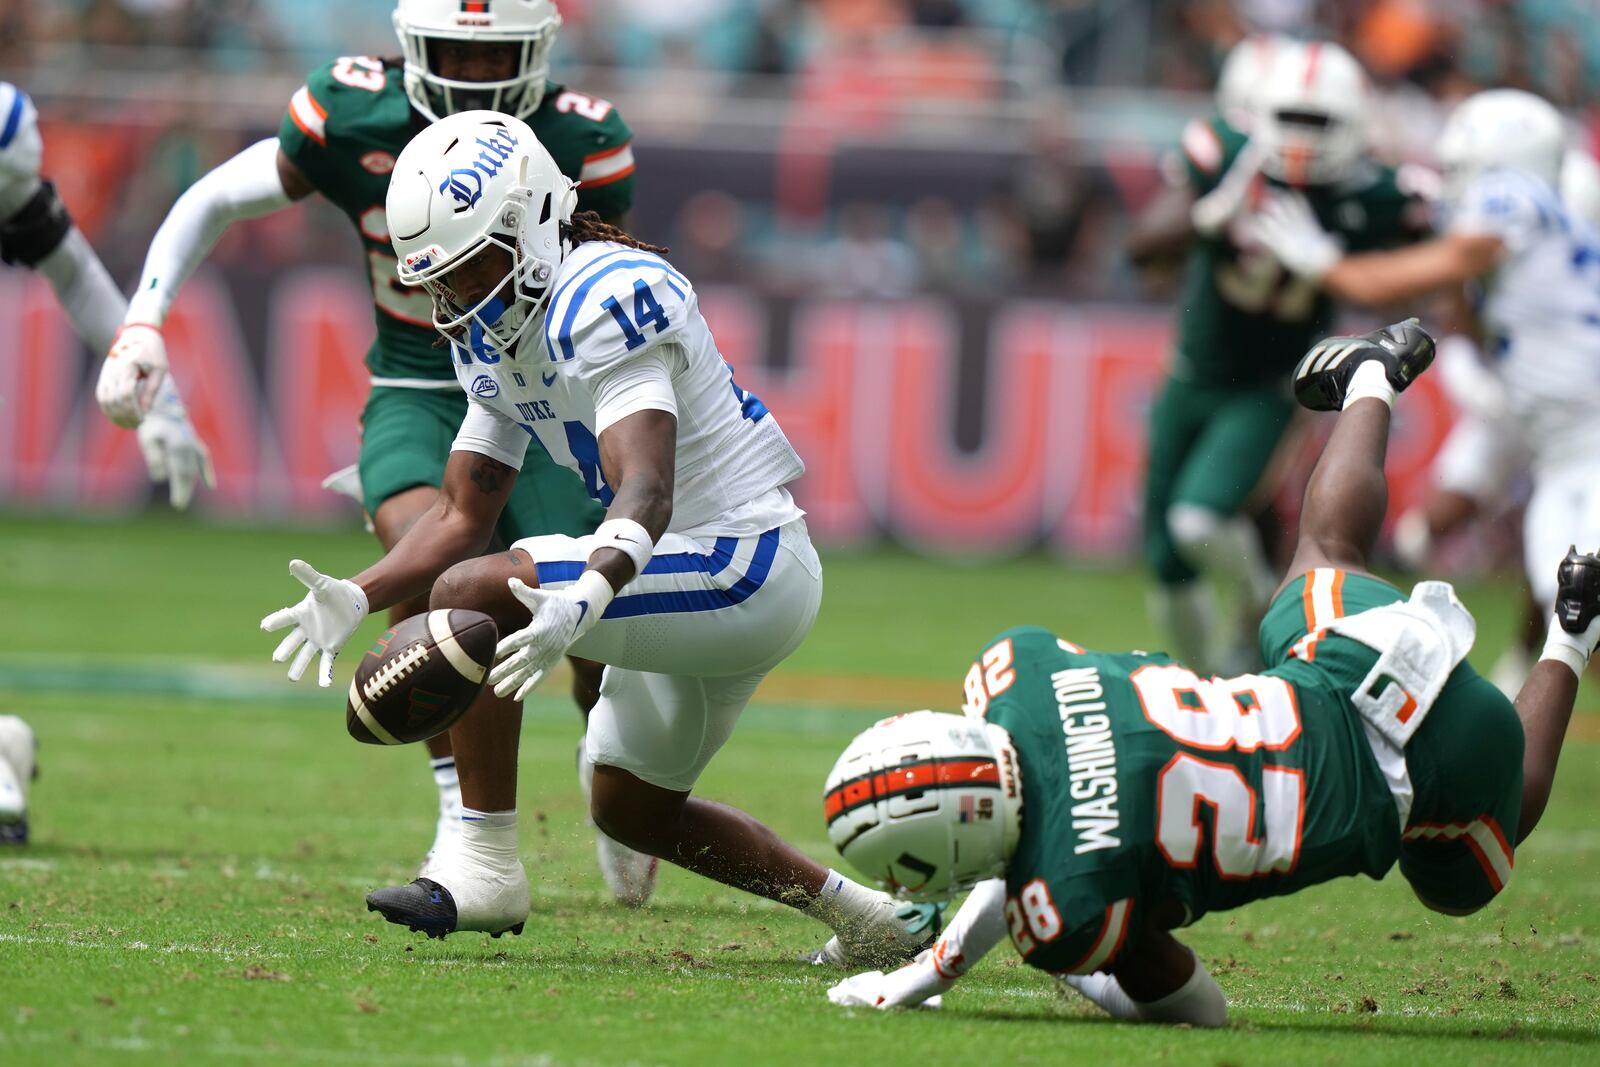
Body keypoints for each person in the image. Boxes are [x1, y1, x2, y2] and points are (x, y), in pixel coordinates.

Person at [256, 110, 939, 966]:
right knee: (630, 809)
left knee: (472, 593)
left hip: (744, 561)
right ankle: (868, 918)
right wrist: (361, 590)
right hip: (676, 571)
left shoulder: (604, 294)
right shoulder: (489, 334)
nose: (462, 296)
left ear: (532, 220)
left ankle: (484, 864)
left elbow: (647, 487)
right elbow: (462, 512)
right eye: (446, 278)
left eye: (476, 268)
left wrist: (586, 590)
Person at [822, 319, 1599, 1020]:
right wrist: (947, 960)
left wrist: (965, 964)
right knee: (1325, 553)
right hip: (1351, 648)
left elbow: (1198, 1007)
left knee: (1465, 875)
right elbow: (1045, 796)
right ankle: (1370, 379)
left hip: (1437, 759)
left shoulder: (1066, 907)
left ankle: (1572, 629)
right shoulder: (1012, 673)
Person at [93, 0, 653, 900]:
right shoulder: (355, 115)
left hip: (541, 393)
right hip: (417, 388)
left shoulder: (580, 137)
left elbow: (605, 272)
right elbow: (214, 196)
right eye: (456, 58)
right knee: (438, 562)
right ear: (409, 50)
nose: (478, 79)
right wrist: (143, 320)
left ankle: (609, 757)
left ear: (540, 51)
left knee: (594, 615)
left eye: (500, 58)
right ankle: (462, 820)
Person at [1245, 89, 1600, 673]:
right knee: (1569, 626)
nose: (1456, 180)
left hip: (1582, 447)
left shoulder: (1511, 197)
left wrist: (1323, 260)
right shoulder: (1545, 225)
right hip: (1558, 454)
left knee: (1578, 618)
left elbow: (1393, 284)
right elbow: (1466, 315)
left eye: (1462, 167)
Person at [1126, 40, 1432, 676]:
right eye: (1290, 118)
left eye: (1318, 122)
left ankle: (1257, 603)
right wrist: (1211, 216)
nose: (1302, 140)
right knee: (1167, 557)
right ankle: (1208, 682)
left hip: (1274, 384)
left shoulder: (1376, 192)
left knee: (1196, 519)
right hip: (1191, 372)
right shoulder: (1229, 156)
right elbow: (1142, 247)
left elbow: (1430, 262)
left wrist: (1342, 264)